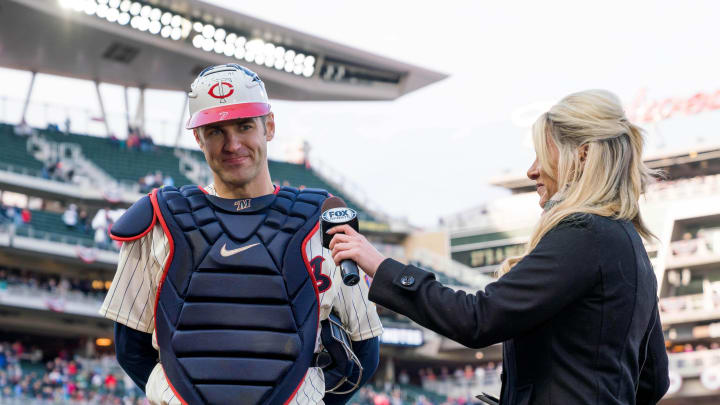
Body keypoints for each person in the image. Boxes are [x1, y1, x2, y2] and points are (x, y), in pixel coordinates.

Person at [328, 90, 670, 404]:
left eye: (542, 155)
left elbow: (478, 319)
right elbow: (654, 380)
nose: (532, 171)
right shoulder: (631, 246)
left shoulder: (584, 234)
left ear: (581, 156)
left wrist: (379, 264)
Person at [100, 64, 382, 405]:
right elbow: (131, 349)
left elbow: (365, 349)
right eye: (216, 130)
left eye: (245, 126)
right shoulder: (162, 219)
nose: (232, 144)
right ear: (198, 138)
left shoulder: (324, 221)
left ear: (269, 127)